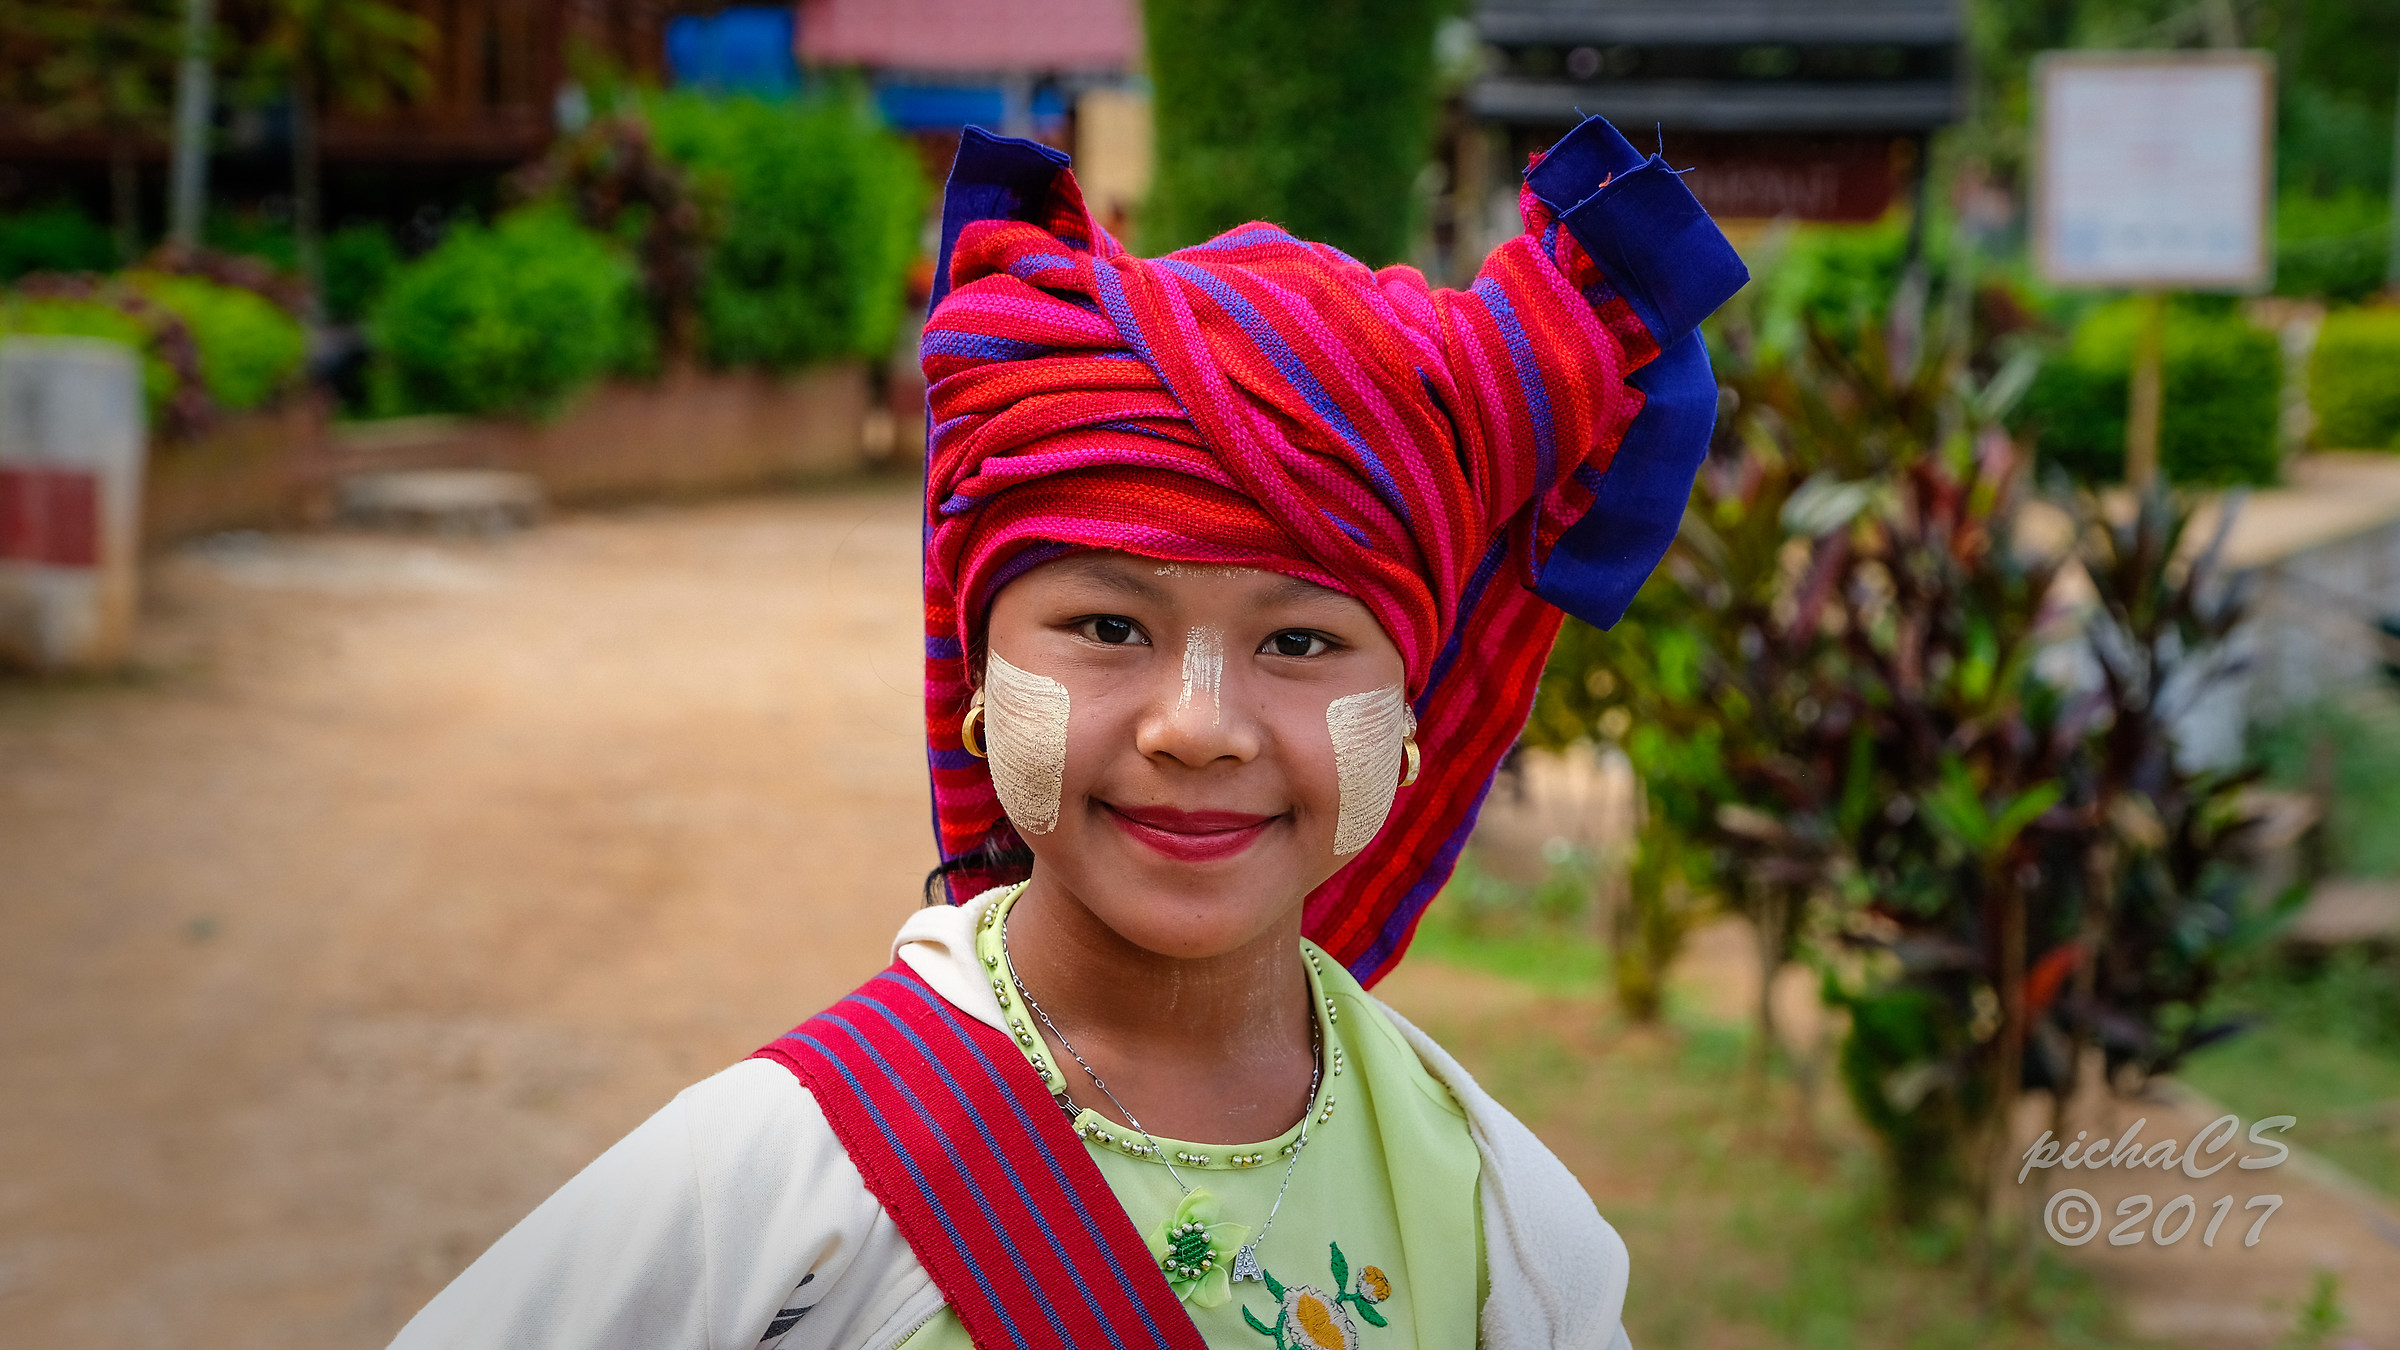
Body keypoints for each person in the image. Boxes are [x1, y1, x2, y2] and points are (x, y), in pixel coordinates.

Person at [387, 114, 1746, 1350]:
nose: (1197, 727)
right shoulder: (779, 1176)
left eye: (1300, 642)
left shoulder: (1503, 1225)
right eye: (1107, 628)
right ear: (974, 679)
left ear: (1412, 714)